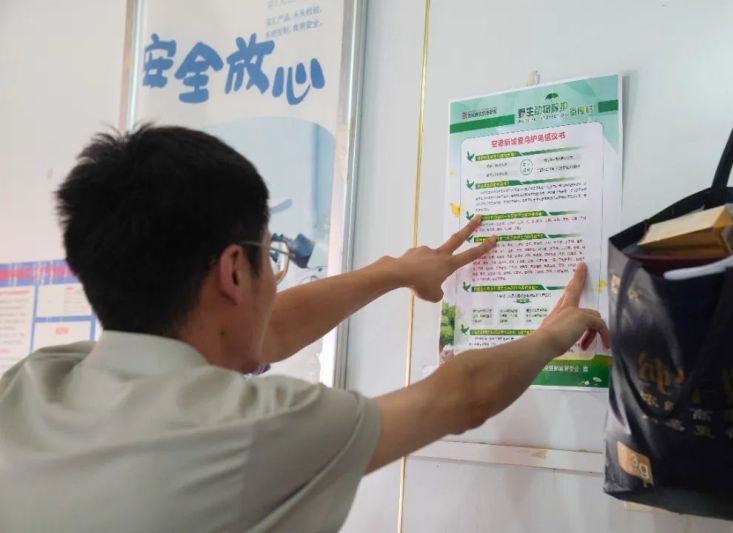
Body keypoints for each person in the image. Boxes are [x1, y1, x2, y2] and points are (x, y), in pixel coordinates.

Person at [0, 125, 609, 533]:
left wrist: (394, 271)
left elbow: (259, 334)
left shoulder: (33, 383)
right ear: (234, 271)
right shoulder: (251, 429)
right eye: (272, 257)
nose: (276, 280)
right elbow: (461, 397)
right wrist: (551, 335)